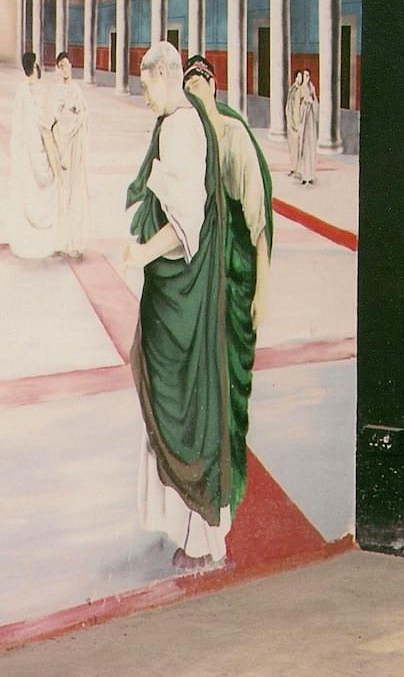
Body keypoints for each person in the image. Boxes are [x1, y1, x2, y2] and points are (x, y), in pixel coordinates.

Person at [123, 41, 233, 572]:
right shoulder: (177, 123)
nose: (143, 96)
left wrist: (143, 251)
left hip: (182, 298)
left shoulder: (182, 129)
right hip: (172, 295)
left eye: (145, 85)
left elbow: (186, 222)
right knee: (168, 399)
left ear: (165, 74)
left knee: (184, 405)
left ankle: (200, 537)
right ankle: (184, 526)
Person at [182, 54, 273, 538]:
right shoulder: (187, 142)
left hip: (234, 273)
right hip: (201, 275)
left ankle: (227, 492)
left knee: (228, 387)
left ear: (213, 88)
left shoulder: (233, 138)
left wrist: (261, 288)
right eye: (188, 87)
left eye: (200, 83)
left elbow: (257, 222)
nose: (195, 92)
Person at [7, 52, 60, 259]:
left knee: (32, 185)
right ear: (34, 67)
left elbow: (19, 122)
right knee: (42, 183)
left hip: (31, 147)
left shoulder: (22, 90)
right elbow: (43, 120)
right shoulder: (36, 90)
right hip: (34, 147)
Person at [50, 52, 89, 258]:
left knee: (76, 194)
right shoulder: (57, 91)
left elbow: (84, 112)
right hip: (62, 147)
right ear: (57, 68)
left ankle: (75, 242)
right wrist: (68, 114)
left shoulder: (76, 89)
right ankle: (60, 240)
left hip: (76, 147)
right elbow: (55, 117)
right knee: (61, 194)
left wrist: (76, 113)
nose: (66, 69)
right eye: (62, 66)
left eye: (68, 65)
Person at [298, 73, 319, 186]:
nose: (306, 78)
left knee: (310, 149)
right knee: (304, 150)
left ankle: (310, 176)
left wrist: (312, 98)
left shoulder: (311, 88)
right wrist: (305, 104)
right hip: (304, 122)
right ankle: (304, 176)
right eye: (304, 75)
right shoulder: (302, 89)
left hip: (310, 123)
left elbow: (315, 102)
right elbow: (299, 104)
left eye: (307, 75)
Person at [284, 70, 305, 178]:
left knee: (298, 147)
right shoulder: (292, 88)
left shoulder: (301, 90)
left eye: (301, 77)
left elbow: (300, 107)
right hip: (290, 121)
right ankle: (293, 168)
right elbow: (289, 104)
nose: (299, 79)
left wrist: (299, 123)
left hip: (297, 123)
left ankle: (298, 169)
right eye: (298, 77)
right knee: (292, 147)